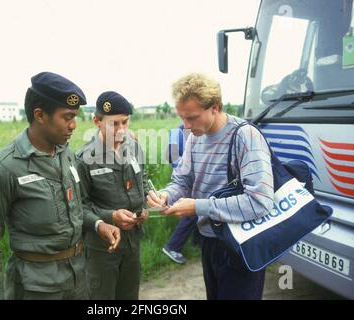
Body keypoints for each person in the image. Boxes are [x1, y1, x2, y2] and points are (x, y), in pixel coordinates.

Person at [0, 72, 121, 300]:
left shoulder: (67, 155)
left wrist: (98, 225)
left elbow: (76, 206)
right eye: (67, 117)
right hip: (35, 288)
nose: (73, 126)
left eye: (76, 117)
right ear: (39, 115)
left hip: (78, 279)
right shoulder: (2, 169)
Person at [147, 73, 274, 300]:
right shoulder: (195, 136)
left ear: (215, 107)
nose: (186, 125)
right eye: (182, 118)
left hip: (240, 245)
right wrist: (166, 195)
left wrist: (198, 207)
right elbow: (183, 180)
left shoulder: (245, 136)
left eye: (192, 117)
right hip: (209, 239)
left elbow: (260, 201)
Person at [76, 91, 149, 300]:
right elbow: (79, 205)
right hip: (102, 250)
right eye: (114, 124)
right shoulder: (83, 159)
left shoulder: (134, 148)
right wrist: (110, 216)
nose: (121, 130)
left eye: (125, 122)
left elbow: (141, 183)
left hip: (132, 243)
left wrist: (143, 209)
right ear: (97, 121)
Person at [162, 124, 199, 265]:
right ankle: (172, 246)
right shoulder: (178, 132)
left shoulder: (187, 130)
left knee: (197, 209)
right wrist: (187, 168)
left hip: (190, 177)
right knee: (191, 212)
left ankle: (197, 242)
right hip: (185, 178)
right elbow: (171, 156)